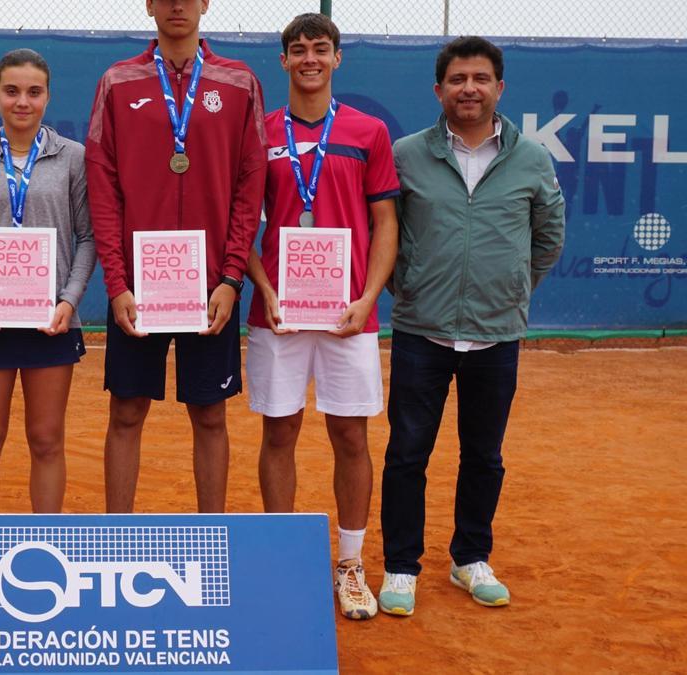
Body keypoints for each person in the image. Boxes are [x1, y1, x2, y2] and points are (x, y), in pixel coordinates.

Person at [379, 36, 565, 616]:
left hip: (496, 335)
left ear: (499, 88)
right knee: (408, 453)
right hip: (420, 331)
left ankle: (469, 559)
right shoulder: (406, 154)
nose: (469, 89)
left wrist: (508, 292)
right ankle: (401, 567)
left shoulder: (533, 159)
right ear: (439, 90)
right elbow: (384, 237)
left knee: (484, 455)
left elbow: (548, 239)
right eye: (457, 79)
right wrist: (406, 288)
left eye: (480, 78)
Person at [245, 13, 399, 620]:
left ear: (338, 59)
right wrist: (265, 287)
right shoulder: (258, 133)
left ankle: (351, 564)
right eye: (298, 50)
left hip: (349, 316)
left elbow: (387, 223)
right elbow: (243, 226)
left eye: (321, 49)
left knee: (350, 435)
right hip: (277, 314)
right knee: (278, 432)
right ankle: (283, 558)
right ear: (282, 61)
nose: (310, 58)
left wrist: (368, 297)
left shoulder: (369, 132)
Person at [86, 0, 267, 513]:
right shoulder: (117, 81)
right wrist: (117, 283)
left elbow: (249, 184)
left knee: (210, 415)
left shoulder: (239, 82)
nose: (178, 5)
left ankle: (211, 537)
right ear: (149, 5)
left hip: (211, 286)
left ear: (206, 3)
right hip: (138, 287)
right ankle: (116, 538)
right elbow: (102, 184)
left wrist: (232, 278)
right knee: (126, 411)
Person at [0, 48, 96, 513]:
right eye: (12, 91)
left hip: (51, 322)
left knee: (47, 440)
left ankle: (45, 543)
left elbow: (87, 238)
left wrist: (68, 302)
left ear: (48, 97)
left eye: (33, 92)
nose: (22, 102)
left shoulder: (74, 158)